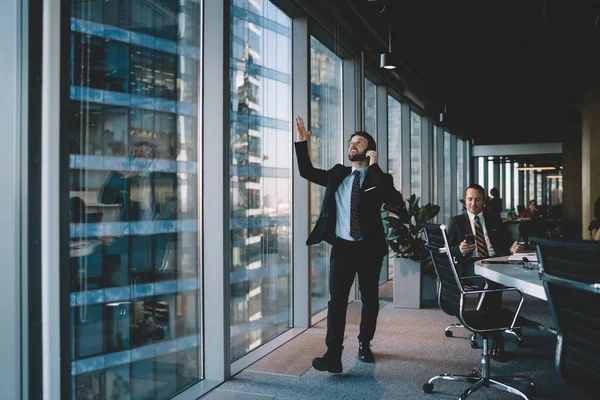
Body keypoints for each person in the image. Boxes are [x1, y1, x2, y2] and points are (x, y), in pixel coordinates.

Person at [294, 116, 403, 373]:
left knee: (370, 300)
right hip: (342, 248)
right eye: (351, 142)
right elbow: (306, 172)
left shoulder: (379, 178)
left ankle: (365, 344)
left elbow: (394, 200)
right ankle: (333, 355)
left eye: (360, 142)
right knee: (337, 302)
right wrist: (302, 142)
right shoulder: (338, 173)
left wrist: (375, 168)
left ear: (370, 151)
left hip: (368, 249)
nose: (353, 145)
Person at [447, 183, 524, 361]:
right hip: (471, 265)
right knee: (493, 284)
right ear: (464, 201)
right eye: (469, 199)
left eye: (477, 199)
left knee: (499, 281)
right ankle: (497, 339)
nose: (473, 203)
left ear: (484, 202)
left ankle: (490, 323)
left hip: (495, 261)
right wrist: (459, 249)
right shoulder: (456, 221)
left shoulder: (494, 219)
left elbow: (506, 245)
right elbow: (446, 250)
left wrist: (513, 248)